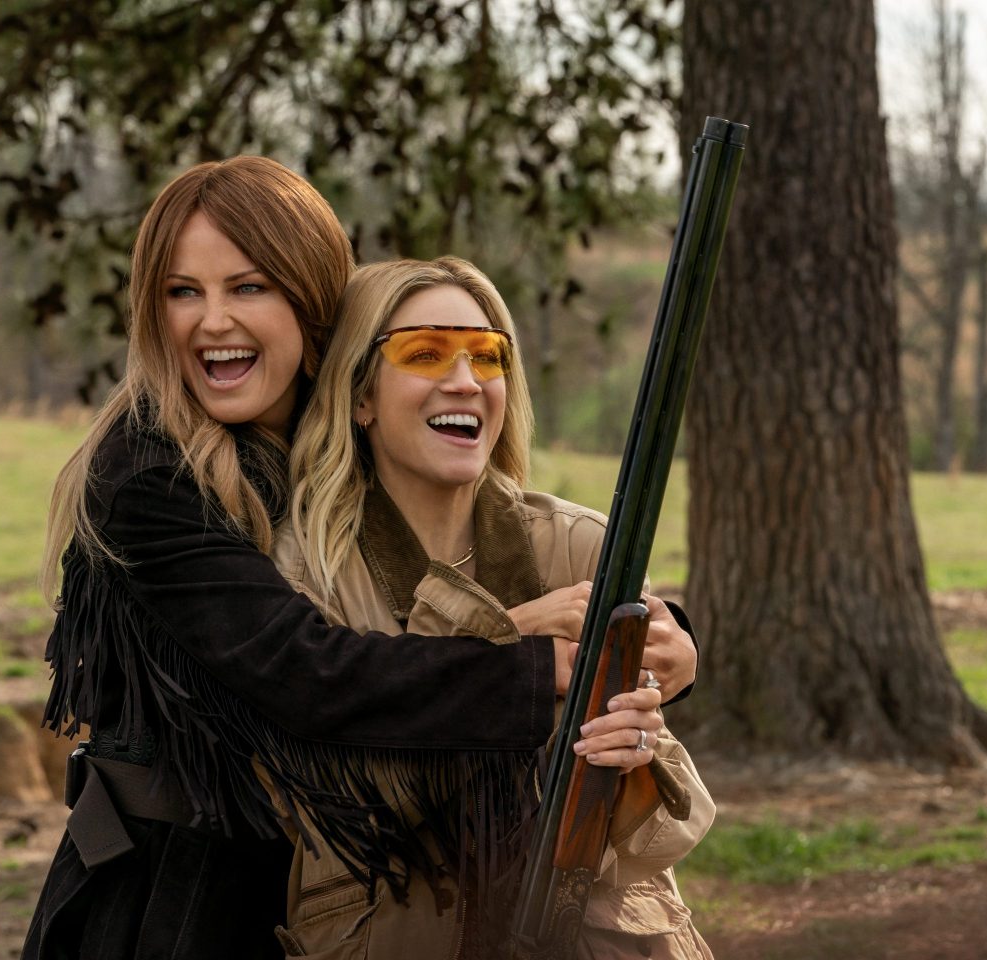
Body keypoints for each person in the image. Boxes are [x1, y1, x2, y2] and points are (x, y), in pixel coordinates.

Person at [20, 159, 667, 959]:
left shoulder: (320, 429)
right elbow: (311, 673)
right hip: (172, 898)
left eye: (248, 287)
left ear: (311, 299)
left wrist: (664, 638)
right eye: (182, 291)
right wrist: (530, 655)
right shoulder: (149, 474)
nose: (212, 320)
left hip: (311, 887)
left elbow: (472, 538)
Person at [272, 256, 714, 958]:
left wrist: (634, 752)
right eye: (425, 354)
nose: (465, 380)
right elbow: (329, 808)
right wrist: (507, 642)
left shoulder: (584, 546)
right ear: (360, 397)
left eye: (487, 356)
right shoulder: (304, 572)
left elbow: (658, 837)